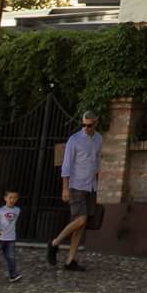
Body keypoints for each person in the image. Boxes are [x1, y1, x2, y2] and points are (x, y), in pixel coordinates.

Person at [48, 110, 102, 272]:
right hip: (76, 185)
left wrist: (97, 181)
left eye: (89, 125)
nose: (86, 128)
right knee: (81, 219)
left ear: (96, 123)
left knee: (81, 226)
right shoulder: (75, 140)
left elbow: (97, 161)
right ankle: (55, 243)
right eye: (83, 124)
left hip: (91, 185)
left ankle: (70, 260)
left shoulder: (99, 139)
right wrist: (65, 187)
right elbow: (66, 165)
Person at [0, 189, 21, 283]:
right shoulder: (0, 210)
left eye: (15, 197)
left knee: (11, 257)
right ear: (5, 198)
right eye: (10, 197)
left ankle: (13, 275)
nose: (12, 199)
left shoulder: (17, 210)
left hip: (11, 239)